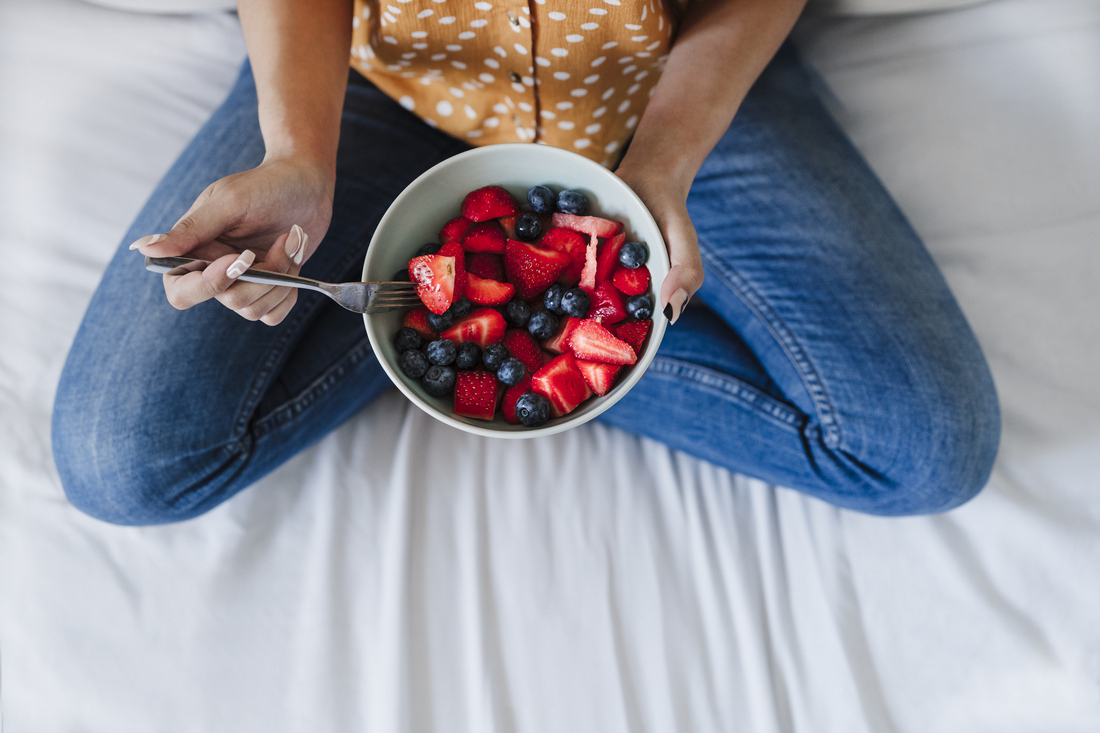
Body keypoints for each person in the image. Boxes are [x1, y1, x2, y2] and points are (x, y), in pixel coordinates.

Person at [51, 0, 1000, 525]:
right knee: (122, 463)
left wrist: (665, 158)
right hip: (383, 86)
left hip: (670, 81)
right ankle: (435, 334)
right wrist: (299, 151)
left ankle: (466, 339)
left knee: (921, 453)